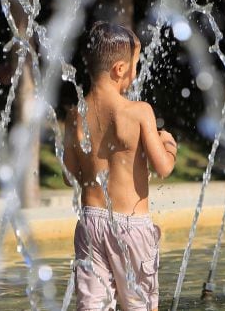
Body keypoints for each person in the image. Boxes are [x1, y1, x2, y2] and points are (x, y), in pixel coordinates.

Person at [62, 21, 178, 311]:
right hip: (132, 228)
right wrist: (169, 145)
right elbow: (162, 167)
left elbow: (68, 175)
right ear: (119, 69)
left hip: (90, 223)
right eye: (133, 66)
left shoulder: (76, 115)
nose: (135, 73)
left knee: (92, 306)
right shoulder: (138, 112)